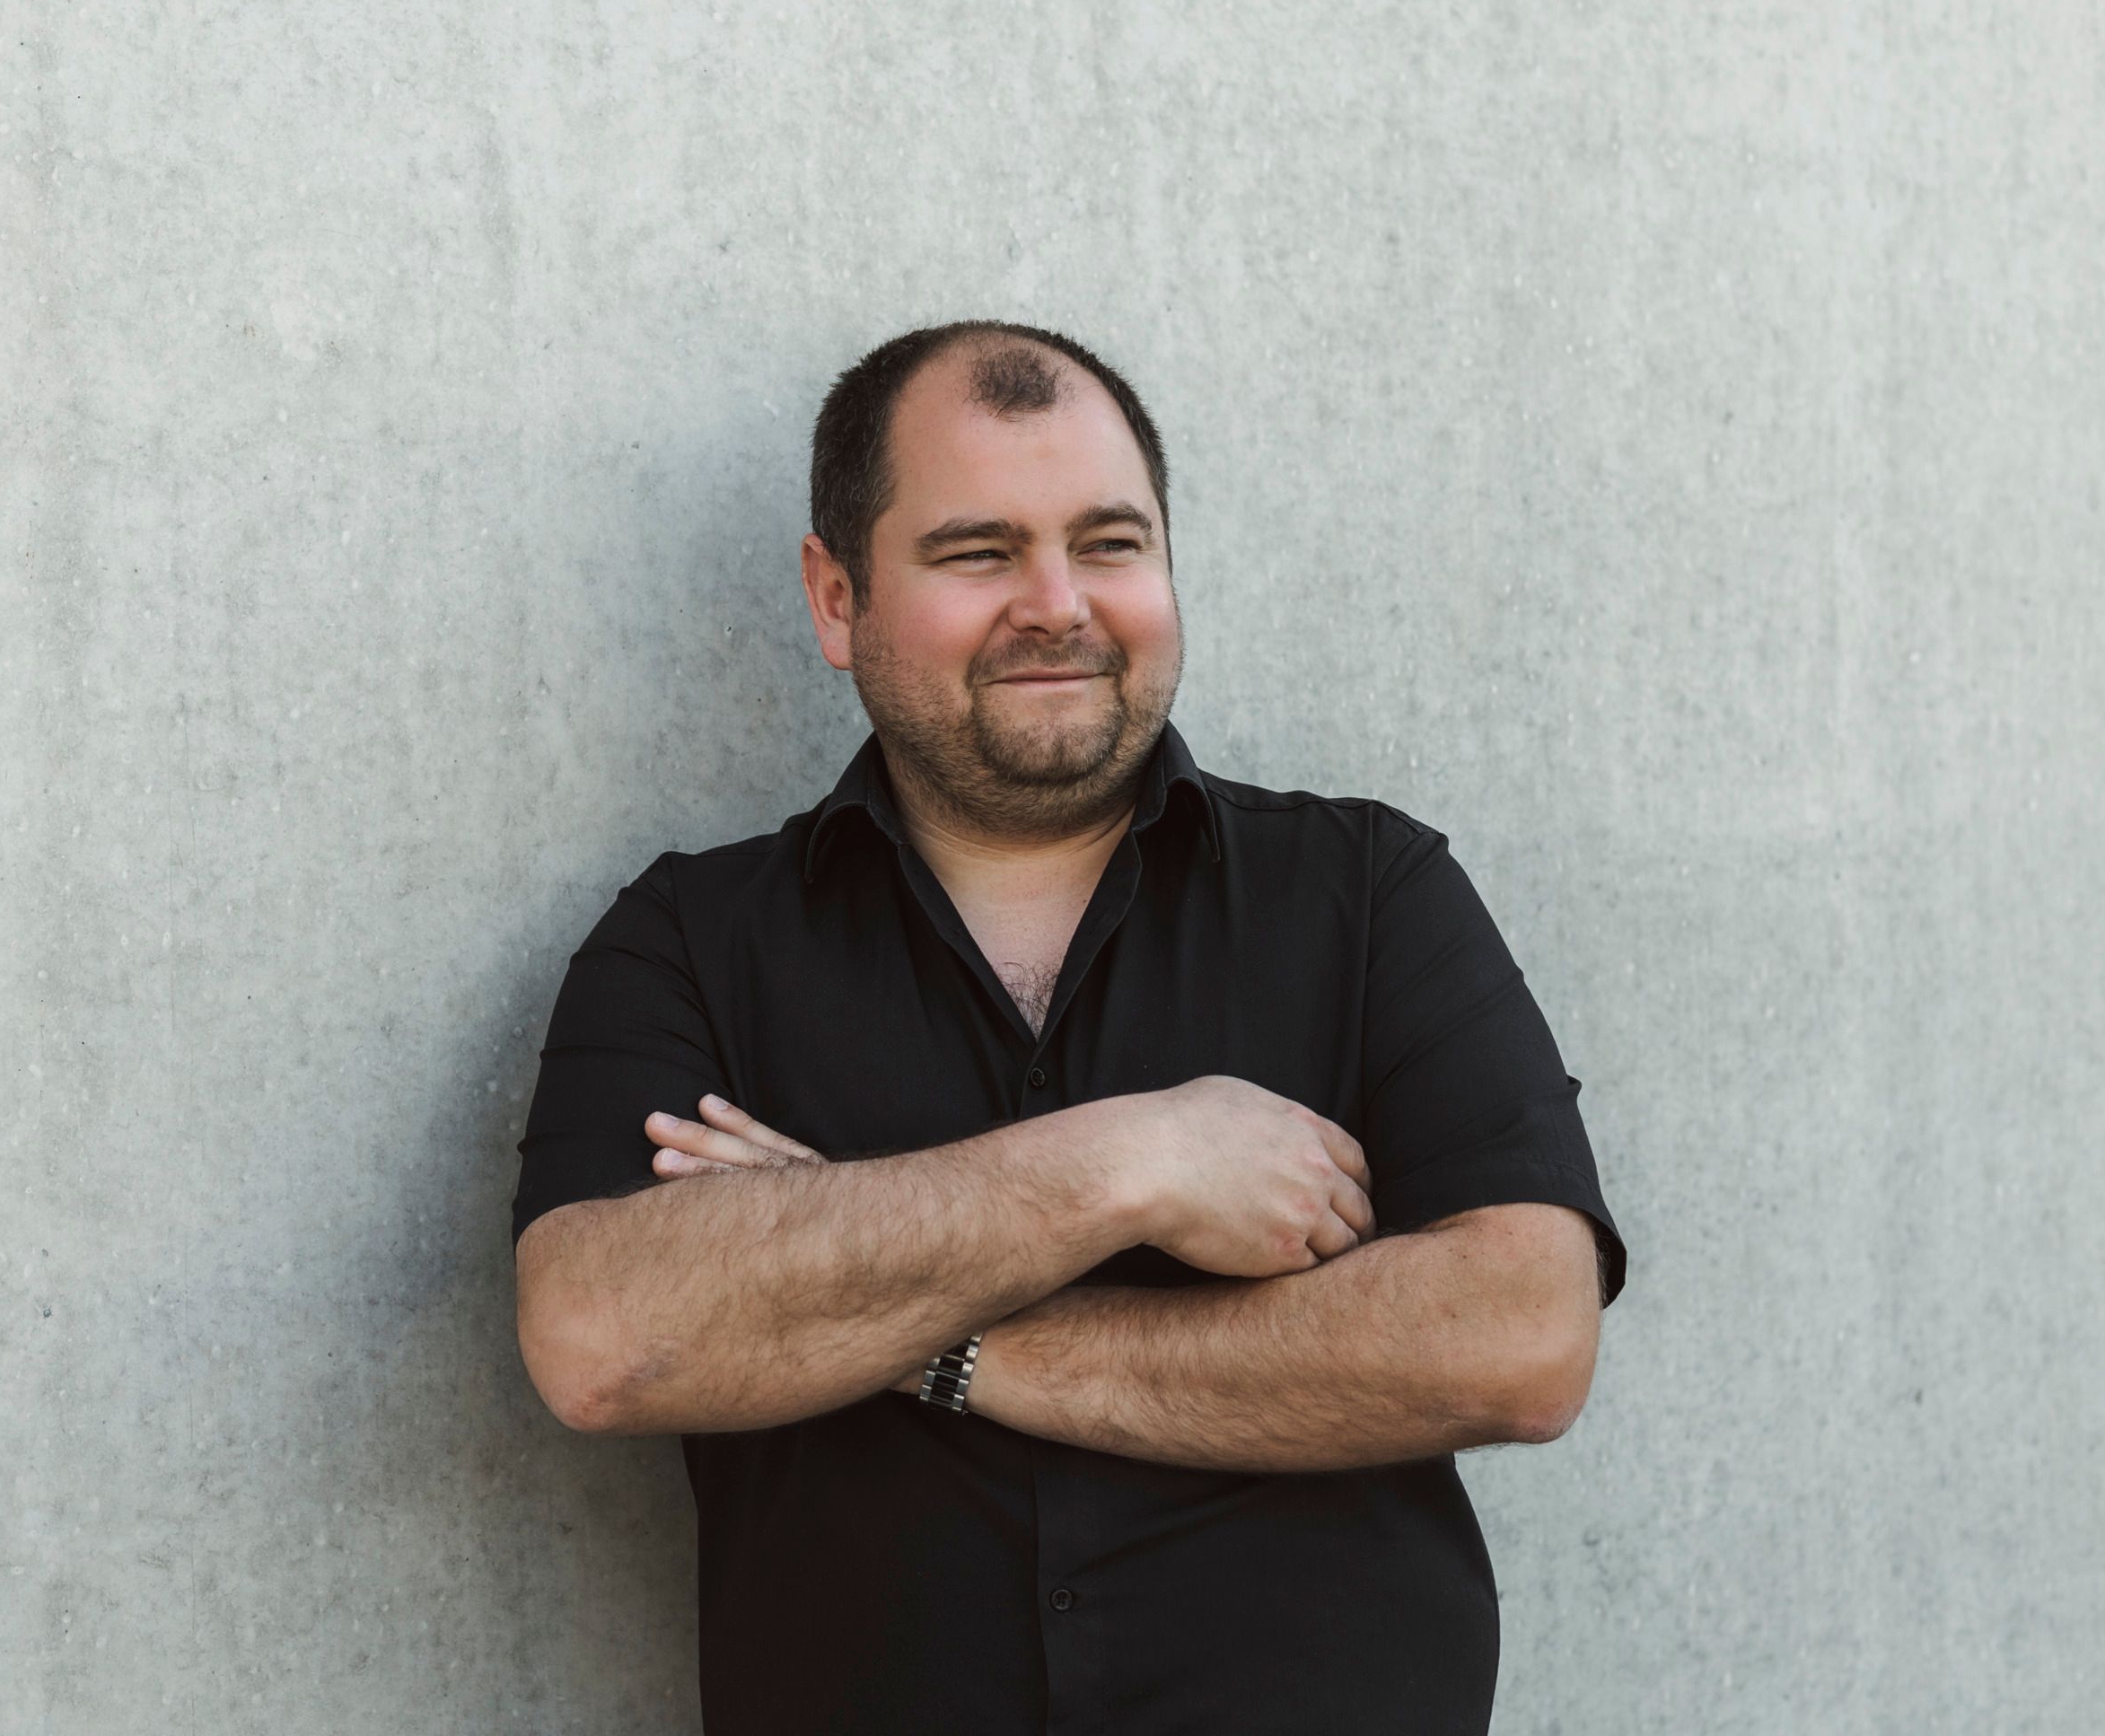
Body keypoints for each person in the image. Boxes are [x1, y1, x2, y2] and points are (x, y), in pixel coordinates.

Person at [511, 319, 1629, 1735]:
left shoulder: (1369, 895)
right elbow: (605, 1335)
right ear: (836, 595)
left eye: (1110, 543)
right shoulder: (687, 938)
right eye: (979, 552)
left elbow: (1519, 1340)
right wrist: (1130, 1162)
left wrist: (922, 1335)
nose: (1059, 602)